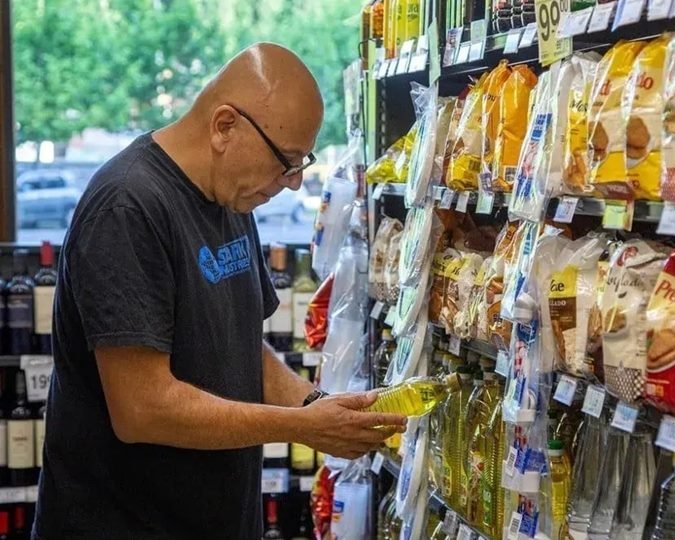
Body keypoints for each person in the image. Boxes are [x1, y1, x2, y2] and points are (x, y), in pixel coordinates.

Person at [32, 43, 405, 540]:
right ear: (224, 125)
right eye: (285, 163)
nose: (293, 184)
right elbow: (143, 409)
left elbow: (238, 345)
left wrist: (316, 405)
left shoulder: (231, 196)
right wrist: (298, 427)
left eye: (301, 164)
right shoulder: (127, 208)